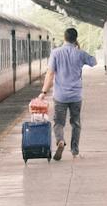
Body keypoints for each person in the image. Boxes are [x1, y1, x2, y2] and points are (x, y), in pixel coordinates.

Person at [39, 27, 97, 160]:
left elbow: (50, 73)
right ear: (75, 39)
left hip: (60, 96)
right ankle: (75, 151)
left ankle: (60, 141)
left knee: (59, 123)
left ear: (64, 38)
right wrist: (79, 49)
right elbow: (94, 62)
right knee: (75, 123)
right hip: (76, 96)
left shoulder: (56, 53)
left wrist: (43, 92)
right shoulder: (80, 53)